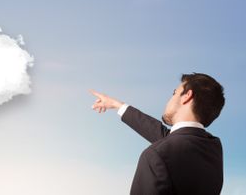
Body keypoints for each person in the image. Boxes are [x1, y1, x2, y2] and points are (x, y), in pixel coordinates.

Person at [90, 73, 225, 195]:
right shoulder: (213, 147)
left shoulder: (156, 155)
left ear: (187, 96)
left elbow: (169, 144)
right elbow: (171, 139)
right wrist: (117, 105)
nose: (170, 98)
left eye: (174, 93)